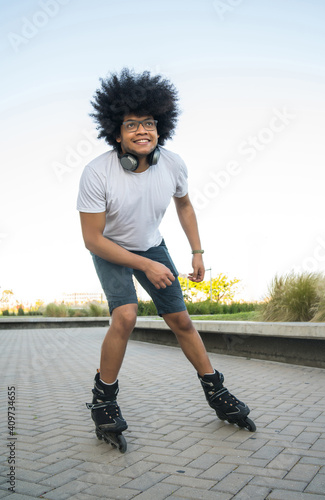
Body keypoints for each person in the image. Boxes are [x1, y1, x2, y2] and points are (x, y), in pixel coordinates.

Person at [77, 68, 255, 445]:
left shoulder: (173, 163)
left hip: (153, 244)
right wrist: (144, 264)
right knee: (125, 316)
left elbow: (185, 205)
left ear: (160, 128)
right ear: (116, 133)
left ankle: (216, 390)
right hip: (111, 247)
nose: (142, 130)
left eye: (149, 123)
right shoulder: (96, 173)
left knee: (182, 321)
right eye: (131, 125)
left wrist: (197, 252)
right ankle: (103, 400)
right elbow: (92, 240)